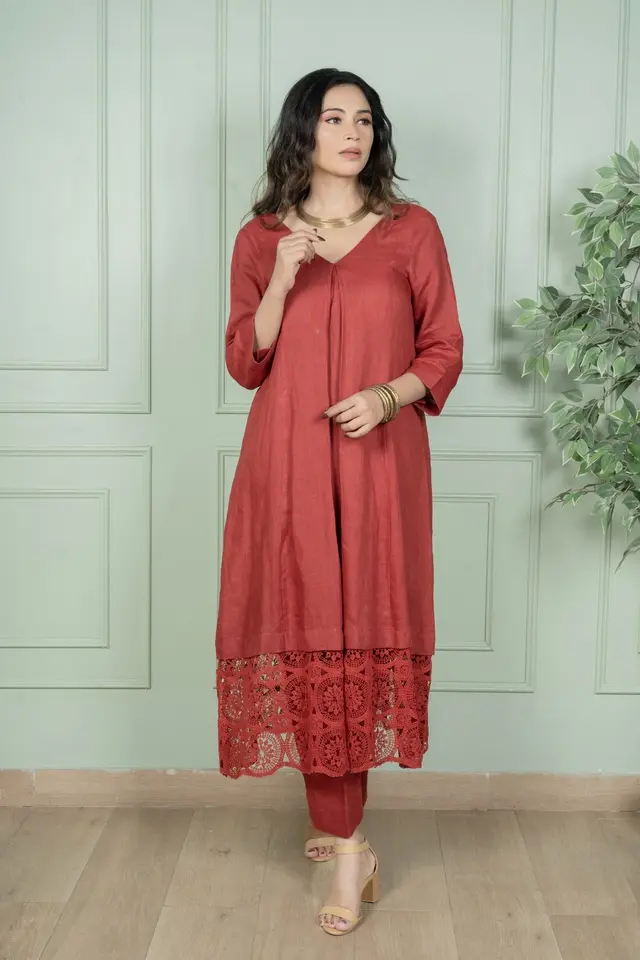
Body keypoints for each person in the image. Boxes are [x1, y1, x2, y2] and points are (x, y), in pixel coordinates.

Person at [215, 67, 463, 936]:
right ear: (303, 132)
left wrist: (388, 396)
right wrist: (282, 280)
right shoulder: (261, 237)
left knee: (365, 629)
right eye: (333, 118)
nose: (352, 132)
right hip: (286, 464)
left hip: (380, 464)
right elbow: (244, 362)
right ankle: (345, 839)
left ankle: (344, 841)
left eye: (364, 119)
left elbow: (444, 348)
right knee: (306, 628)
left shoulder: (410, 230)